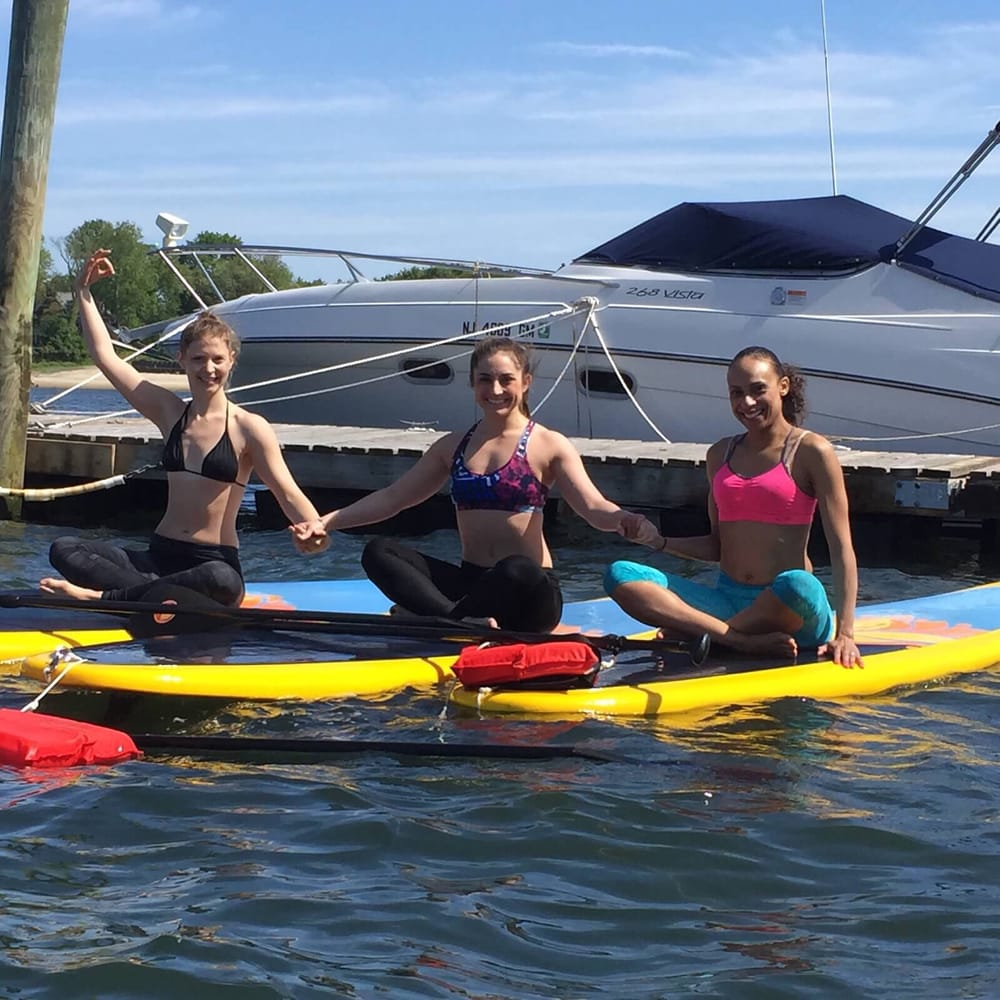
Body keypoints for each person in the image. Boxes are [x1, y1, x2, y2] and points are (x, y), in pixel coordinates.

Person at [290, 336, 657, 632]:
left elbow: (593, 508)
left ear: (525, 383)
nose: (495, 389)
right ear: (472, 383)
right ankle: (460, 620)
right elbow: (393, 499)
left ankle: (440, 619)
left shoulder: (548, 444)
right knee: (379, 551)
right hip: (473, 587)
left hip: (528, 590)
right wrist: (326, 522)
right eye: (484, 379)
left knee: (517, 567)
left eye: (506, 380)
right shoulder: (454, 446)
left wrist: (625, 519)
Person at [40, 248, 329, 607]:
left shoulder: (249, 428)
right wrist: (83, 291)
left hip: (212, 563)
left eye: (217, 359)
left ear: (231, 361)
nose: (208, 368)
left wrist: (317, 529)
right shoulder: (170, 413)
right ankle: (148, 598)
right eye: (198, 359)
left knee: (220, 581)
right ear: (181, 361)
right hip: (157, 559)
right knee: (65, 548)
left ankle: (105, 598)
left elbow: (287, 493)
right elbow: (106, 357)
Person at [603, 345, 862, 666]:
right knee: (620, 573)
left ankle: (701, 630)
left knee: (800, 584)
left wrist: (846, 634)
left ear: (783, 387)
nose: (747, 403)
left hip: (791, 610)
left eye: (757, 390)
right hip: (728, 601)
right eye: (736, 393)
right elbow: (717, 546)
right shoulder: (719, 454)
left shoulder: (812, 451)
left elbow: (842, 549)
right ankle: (736, 639)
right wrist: (658, 541)